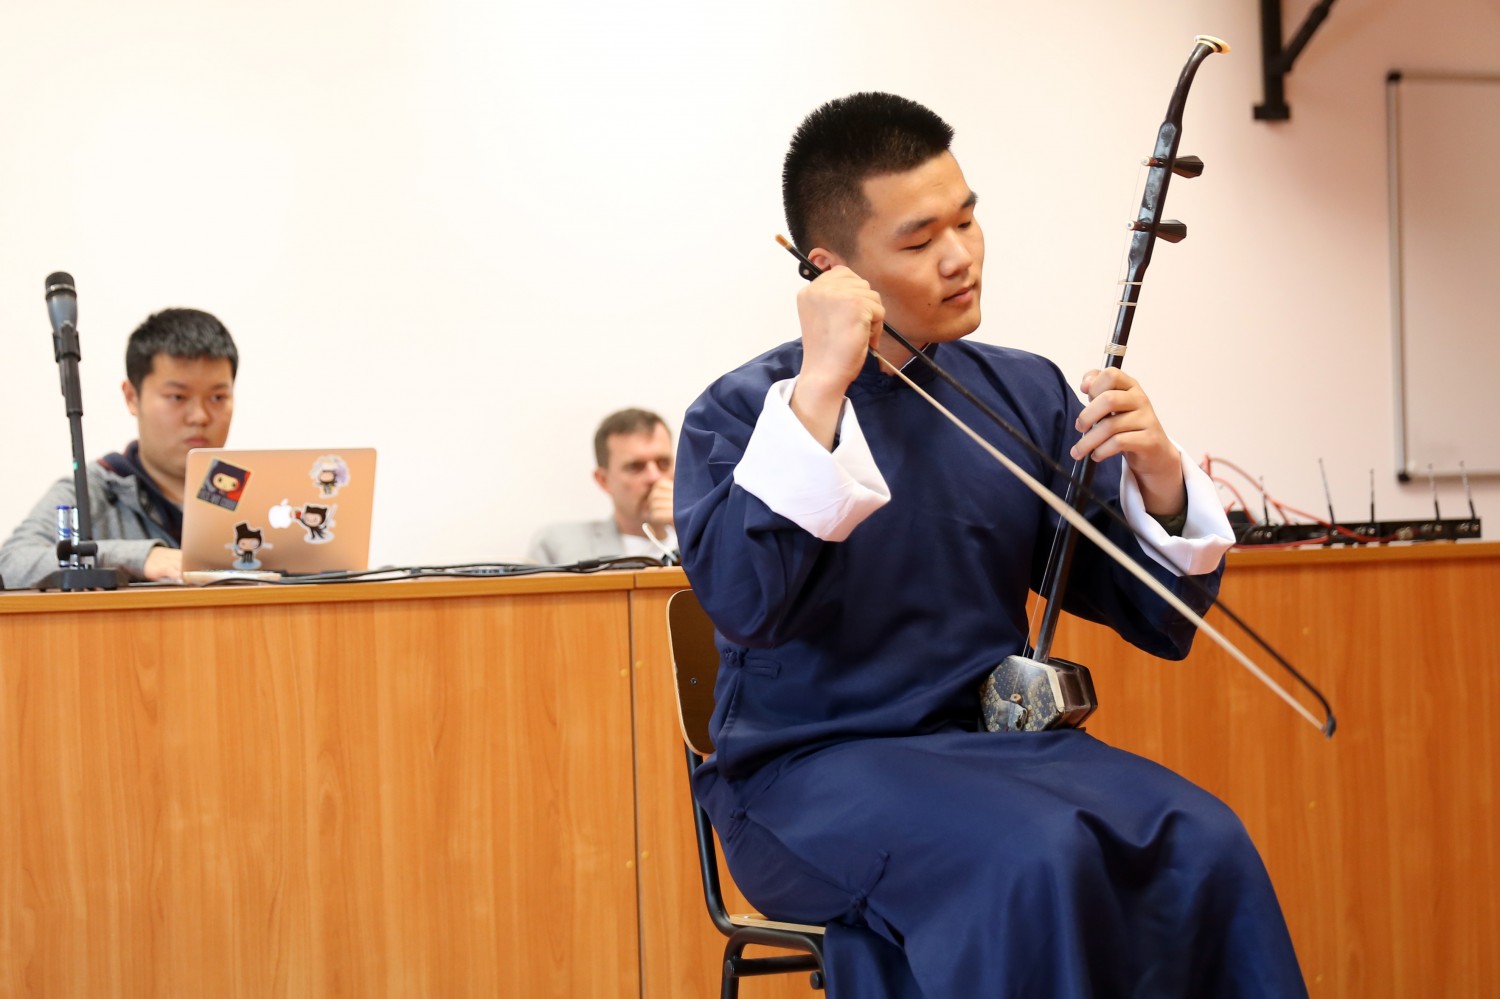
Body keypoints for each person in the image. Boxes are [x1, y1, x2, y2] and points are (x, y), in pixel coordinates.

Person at [674, 92, 1305, 997]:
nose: (960, 256)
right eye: (918, 240)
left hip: (994, 756)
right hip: (804, 773)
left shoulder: (1022, 393)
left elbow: (1156, 615)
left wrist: (1159, 474)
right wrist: (819, 391)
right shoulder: (742, 411)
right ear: (830, 272)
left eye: (966, 220)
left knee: (1203, 837)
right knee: (1034, 860)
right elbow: (745, 602)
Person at [0, 308, 237, 588]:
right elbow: (11, 563)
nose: (199, 416)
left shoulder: (253, 492)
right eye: (177, 397)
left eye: (217, 397)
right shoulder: (93, 491)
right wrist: (139, 558)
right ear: (132, 397)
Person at [527, 408, 676, 564]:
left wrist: (686, 525)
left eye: (664, 463)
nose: (654, 477)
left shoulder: (694, 540)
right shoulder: (557, 546)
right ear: (603, 480)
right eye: (635, 467)